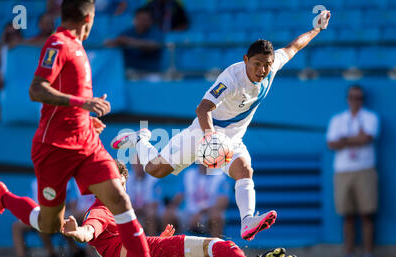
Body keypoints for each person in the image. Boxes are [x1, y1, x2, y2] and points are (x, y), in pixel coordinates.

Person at [0, 0, 186, 257]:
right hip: (54, 147)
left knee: (118, 197)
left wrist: (86, 119)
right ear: (88, 19)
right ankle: (3, 197)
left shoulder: (79, 47)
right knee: (51, 224)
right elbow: (36, 89)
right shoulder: (57, 44)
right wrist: (84, 103)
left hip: (86, 143)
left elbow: (65, 104)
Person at [111, 10, 332, 241]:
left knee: (245, 170)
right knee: (154, 170)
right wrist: (210, 138)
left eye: (266, 65)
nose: (262, 70)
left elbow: (294, 47)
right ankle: (140, 140)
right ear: (246, 60)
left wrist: (316, 29)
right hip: (203, 132)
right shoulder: (231, 77)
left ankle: (247, 221)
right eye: (257, 64)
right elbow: (203, 109)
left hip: (233, 139)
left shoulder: (272, 66)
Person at [61, 160, 299, 257]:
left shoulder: (116, 209)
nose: (121, 189)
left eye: (123, 184)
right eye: (115, 184)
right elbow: (90, 230)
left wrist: (157, 242)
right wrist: (77, 232)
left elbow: (111, 241)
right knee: (213, 245)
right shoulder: (102, 209)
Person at [326, 85, 379, 257]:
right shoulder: (338, 119)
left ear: (362, 99)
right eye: (352, 97)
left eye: (359, 98)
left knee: (367, 215)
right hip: (343, 171)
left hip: (365, 169)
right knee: (347, 216)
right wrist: (354, 138)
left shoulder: (371, 117)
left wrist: (344, 140)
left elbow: (367, 139)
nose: (355, 100)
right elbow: (332, 143)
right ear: (348, 99)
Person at [12, 178, 94, 257]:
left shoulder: (65, 181)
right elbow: (30, 202)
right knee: (21, 225)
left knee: (59, 221)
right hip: (41, 215)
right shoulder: (35, 183)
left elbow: (71, 204)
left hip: (62, 214)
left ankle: (81, 255)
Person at [104, 7, 163, 75]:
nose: (143, 22)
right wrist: (116, 41)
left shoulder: (156, 32)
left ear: (151, 21)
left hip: (151, 72)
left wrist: (128, 41)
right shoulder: (129, 32)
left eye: (146, 19)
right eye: (140, 19)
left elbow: (153, 45)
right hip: (129, 71)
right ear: (135, 19)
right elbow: (108, 43)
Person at [126, 161, 160, 236]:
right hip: (134, 209)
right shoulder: (127, 179)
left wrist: (141, 207)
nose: (138, 166)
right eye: (136, 164)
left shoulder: (153, 179)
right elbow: (124, 201)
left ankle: (153, 242)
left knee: (151, 213)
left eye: (140, 164)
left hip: (148, 210)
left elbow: (155, 203)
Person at [0, 22, 24, 89]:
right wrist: (2, 41)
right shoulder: (3, 49)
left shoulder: (27, 49)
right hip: (6, 86)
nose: (12, 37)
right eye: (8, 34)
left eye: (15, 33)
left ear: (19, 34)